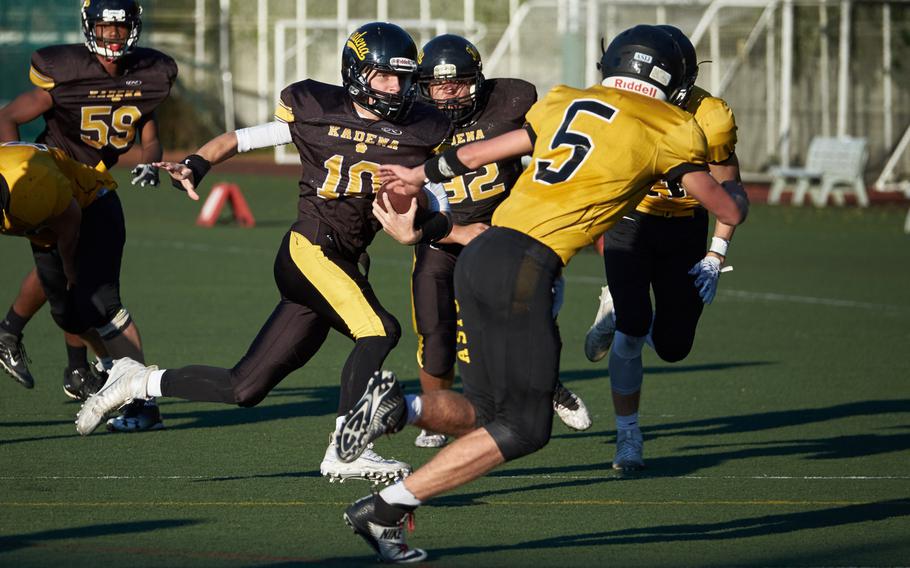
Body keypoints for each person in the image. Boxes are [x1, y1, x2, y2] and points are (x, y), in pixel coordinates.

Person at [333, 24, 749, 562]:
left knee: (485, 413)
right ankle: (390, 446)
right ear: (674, 76)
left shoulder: (567, 101)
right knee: (526, 429)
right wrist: (732, 186)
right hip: (526, 267)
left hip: (480, 252)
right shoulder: (673, 125)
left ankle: (391, 460)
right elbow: (728, 209)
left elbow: (480, 153)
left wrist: (418, 175)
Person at [75, 22, 454, 485]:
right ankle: (346, 447)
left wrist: (420, 231)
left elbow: (440, 201)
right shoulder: (317, 109)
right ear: (356, 74)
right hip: (309, 249)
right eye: (383, 76)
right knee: (379, 330)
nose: (394, 88)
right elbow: (241, 139)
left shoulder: (421, 127)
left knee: (244, 387)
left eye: (401, 77)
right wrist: (196, 163)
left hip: (343, 261)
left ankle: (136, 382)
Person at [0, 0, 177, 429]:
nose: (113, 37)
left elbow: (149, 133)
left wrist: (150, 161)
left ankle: (136, 394)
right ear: (89, 28)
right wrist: (13, 164)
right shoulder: (65, 70)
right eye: (105, 28)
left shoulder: (147, 75)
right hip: (53, 189)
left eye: (120, 29)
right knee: (67, 303)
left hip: (94, 191)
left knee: (95, 300)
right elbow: (8, 117)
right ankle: (85, 368)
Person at [408, 34, 591, 449]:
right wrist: (454, 231)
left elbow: (554, 138)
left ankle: (547, 385)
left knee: (517, 318)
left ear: (477, 81)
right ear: (423, 86)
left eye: (457, 84)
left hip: (502, 232)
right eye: (438, 85)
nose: (448, 94)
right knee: (436, 336)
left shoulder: (511, 101)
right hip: (441, 235)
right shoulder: (412, 121)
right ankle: (437, 412)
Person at [582, 25, 741, 472]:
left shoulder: (710, 117)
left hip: (685, 226)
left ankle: (618, 305)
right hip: (629, 222)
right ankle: (628, 435)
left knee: (674, 347)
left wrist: (716, 254)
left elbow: (731, 191)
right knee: (633, 331)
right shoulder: (608, 103)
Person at [0, 143, 149, 373]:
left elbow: (70, 222)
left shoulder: (31, 193)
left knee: (103, 306)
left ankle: (142, 397)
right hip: (49, 224)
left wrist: (70, 268)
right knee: (68, 316)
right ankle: (108, 373)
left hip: (92, 206)